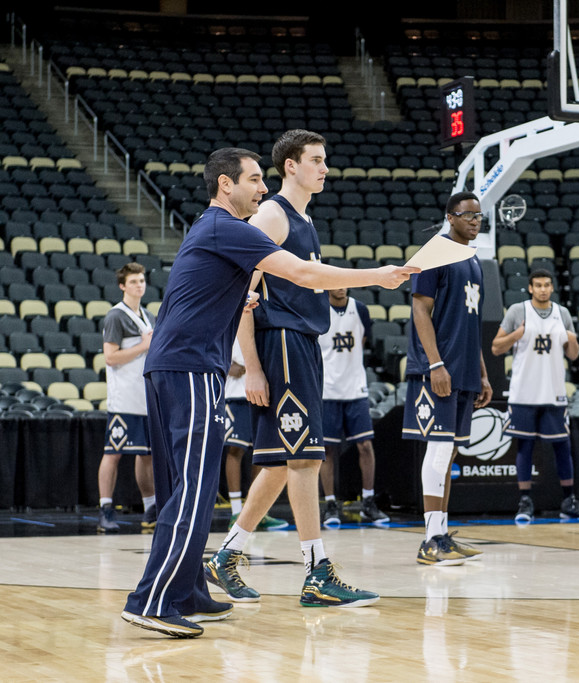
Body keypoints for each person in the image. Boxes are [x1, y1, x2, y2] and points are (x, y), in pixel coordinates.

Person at [121, 145, 415, 639]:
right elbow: (303, 273)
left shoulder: (216, 231)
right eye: (255, 179)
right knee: (194, 488)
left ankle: (188, 588)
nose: (263, 187)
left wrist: (244, 296)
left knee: (184, 485)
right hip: (190, 365)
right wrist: (379, 277)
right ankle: (151, 600)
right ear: (225, 185)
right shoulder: (229, 227)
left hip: (180, 364)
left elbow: (220, 289)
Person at [202, 131, 409, 612]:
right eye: (316, 160)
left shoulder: (304, 219)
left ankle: (226, 554)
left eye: (325, 159)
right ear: (289, 166)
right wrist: (252, 367)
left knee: (279, 462)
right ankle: (317, 573)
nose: (325, 168)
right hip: (284, 344)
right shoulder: (272, 215)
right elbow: (243, 296)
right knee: (306, 459)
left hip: (299, 343)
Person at [403, 191, 492, 566]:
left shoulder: (472, 260)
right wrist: (435, 365)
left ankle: (441, 533)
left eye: (478, 216)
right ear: (450, 217)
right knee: (438, 449)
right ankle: (430, 540)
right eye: (467, 215)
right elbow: (420, 310)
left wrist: (483, 375)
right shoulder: (433, 252)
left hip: (466, 371)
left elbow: (473, 325)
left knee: (450, 451)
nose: (475, 221)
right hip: (438, 370)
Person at [491, 268, 579, 523]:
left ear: (552, 287)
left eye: (547, 284)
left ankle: (569, 500)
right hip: (524, 393)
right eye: (538, 285)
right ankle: (525, 501)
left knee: (562, 446)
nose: (543, 289)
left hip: (554, 393)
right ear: (530, 288)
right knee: (524, 447)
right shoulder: (518, 311)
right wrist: (518, 334)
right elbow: (495, 347)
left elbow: (573, 355)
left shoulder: (563, 314)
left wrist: (572, 340)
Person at [317, 287, 389, 526]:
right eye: (336, 282)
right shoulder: (319, 309)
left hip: (355, 389)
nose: (341, 287)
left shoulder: (359, 309)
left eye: (344, 282)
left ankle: (368, 502)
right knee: (327, 451)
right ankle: (330, 504)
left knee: (366, 446)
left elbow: (363, 340)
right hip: (328, 390)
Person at [97, 262, 158, 533]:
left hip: (145, 396)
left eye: (142, 280)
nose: (139, 285)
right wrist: (144, 346)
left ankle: (151, 508)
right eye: (133, 281)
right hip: (123, 398)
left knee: (146, 454)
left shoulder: (149, 316)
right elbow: (110, 357)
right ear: (123, 286)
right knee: (114, 453)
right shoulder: (115, 316)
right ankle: (105, 508)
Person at [221, 338, 288, 530]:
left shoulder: (265, 310)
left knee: (261, 453)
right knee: (235, 450)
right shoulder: (229, 311)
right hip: (236, 392)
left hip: (263, 390)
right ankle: (235, 512)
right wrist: (227, 365)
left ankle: (258, 511)